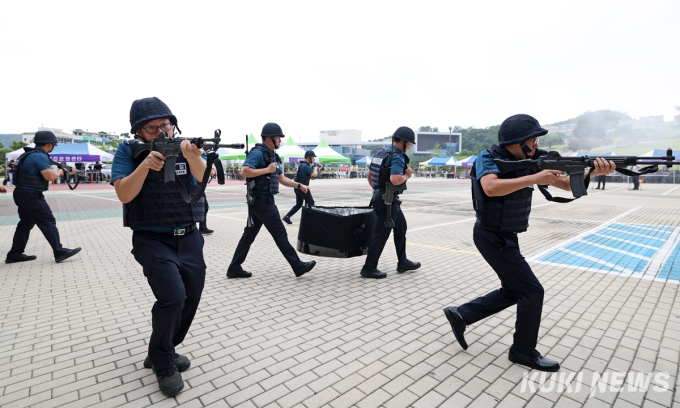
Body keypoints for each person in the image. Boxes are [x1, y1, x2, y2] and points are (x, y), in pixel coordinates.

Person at [443, 114, 615, 372]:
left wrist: (592, 172)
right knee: (532, 291)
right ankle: (522, 351)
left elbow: (568, 186)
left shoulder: (533, 159)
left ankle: (462, 314)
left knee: (515, 290)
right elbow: (491, 187)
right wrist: (536, 177)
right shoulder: (486, 157)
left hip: (506, 236)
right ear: (517, 142)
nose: (536, 146)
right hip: (490, 236)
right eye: (532, 140)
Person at [111, 97, 207, 396]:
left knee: (190, 297)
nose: (160, 131)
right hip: (152, 239)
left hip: (189, 236)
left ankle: (164, 348)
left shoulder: (184, 147)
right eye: (152, 128)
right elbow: (124, 195)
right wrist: (145, 167)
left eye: (164, 125)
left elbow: (205, 178)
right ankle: (163, 361)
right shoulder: (128, 151)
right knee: (173, 298)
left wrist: (193, 157)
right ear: (138, 131)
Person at [226, 123, 316, 279]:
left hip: (260, 202)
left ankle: (234, 267)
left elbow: (281, 178)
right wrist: (267, 170)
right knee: (280, 233)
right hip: (262, 201)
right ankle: (297, 266)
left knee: (249, 235)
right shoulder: (258, 153)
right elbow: (245, 171)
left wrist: (299, 185)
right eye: (278, 138)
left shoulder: (272, 154)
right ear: (269, 138)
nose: (280, 141)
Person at [5, 131, 81, 264]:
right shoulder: (39, 156)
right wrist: (62, 171)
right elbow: (49, 176)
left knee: (25, 223)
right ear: (49, 144)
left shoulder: (28, 154)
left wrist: (65, 170)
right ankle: (59, 251)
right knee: (47, 221)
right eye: (54, 144)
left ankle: (14, 254)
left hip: (22, 193)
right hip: (30, 195)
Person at [361, 126, 421, 279]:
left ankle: (403, 262)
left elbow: (369, 175)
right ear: (402, 142)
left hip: (384, 197)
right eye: (409, 144)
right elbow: (395, 179)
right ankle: (369, 268)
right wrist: (407, 175)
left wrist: (376, 188)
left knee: (401, 227)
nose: (409, 146)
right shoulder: (397, 156)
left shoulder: (381, 153)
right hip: (387, 200)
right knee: (381, 233)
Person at [282, 150, 318, 224]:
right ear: (308, 157)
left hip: (297, 187)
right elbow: (314, 174)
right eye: (312, 157)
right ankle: (311, 220)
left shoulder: (302, 165)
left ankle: (287, 216)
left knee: (298, 204)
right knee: (311, 202)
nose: (313, 159)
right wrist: (316, 169)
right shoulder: (305, 166)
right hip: (302, 188)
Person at [199, 146, 225, 234]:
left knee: (203, 207)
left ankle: (202, 227)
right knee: (203, 207)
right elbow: (210, 170)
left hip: (197, 185)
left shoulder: (200, 155)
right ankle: (201, 227)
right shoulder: (201, 156)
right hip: (197, 186)